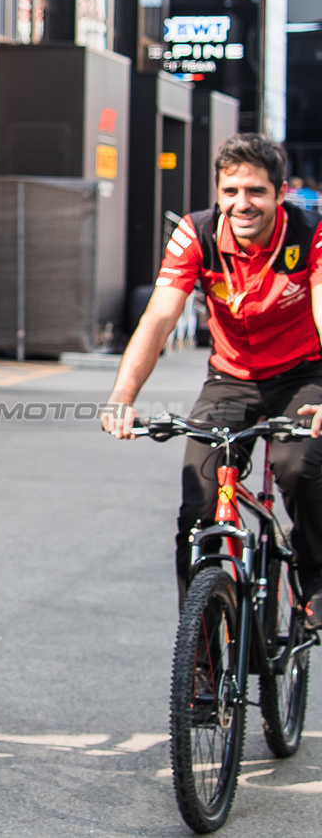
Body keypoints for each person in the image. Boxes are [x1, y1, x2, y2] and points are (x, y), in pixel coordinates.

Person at [101, 133, 322, 628]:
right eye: (230, 192)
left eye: (256, 192)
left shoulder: (310, 232)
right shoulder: (196, 234)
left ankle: (314, 576)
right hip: (231, 378)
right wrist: (122, 395)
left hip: (304, 374)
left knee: (299, 467)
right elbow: (158, 319)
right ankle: (200, 657)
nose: (242, 204)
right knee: (197, 508)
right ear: (218, 193)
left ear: (280, 193)